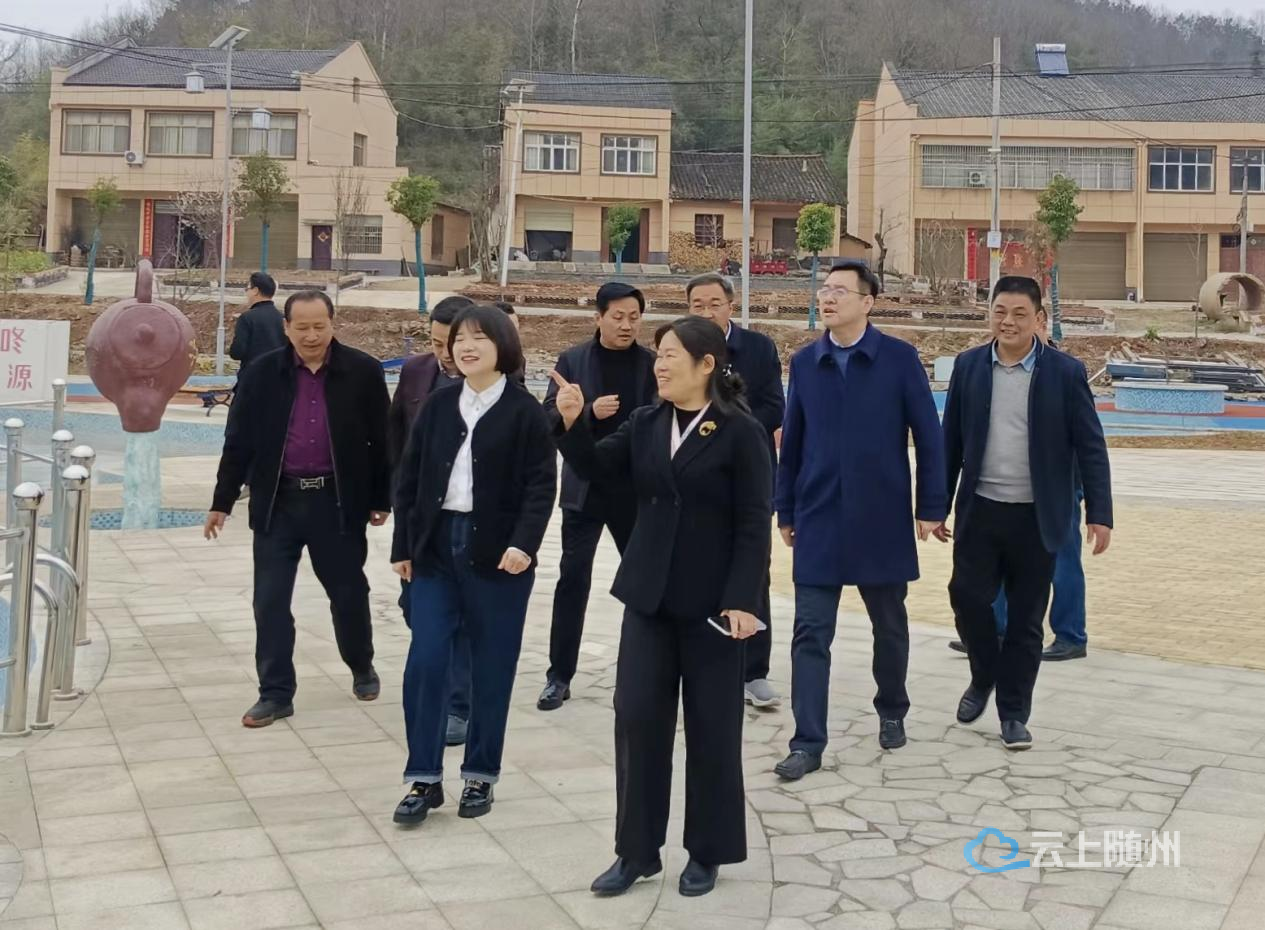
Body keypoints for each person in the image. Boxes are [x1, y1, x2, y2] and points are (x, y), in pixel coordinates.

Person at [551, 316, 772, 899]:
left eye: (672, 354)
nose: (661, 364)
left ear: (707, 364)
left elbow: (754, 523)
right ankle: (636, 851)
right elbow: (596, 468)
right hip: (648, 598)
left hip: (713, 607)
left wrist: (743, 600)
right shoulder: (647, 422)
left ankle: (707, 850)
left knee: (712, 729)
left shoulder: (739, 431)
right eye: (659, 355)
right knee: (637, 720)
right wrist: (571, 423)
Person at [773, 261, 946, 778]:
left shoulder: (899, 359)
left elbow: (929, 437)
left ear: (867, 302)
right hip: (819, 514)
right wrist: (785, 508)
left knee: (889, 625)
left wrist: (931, 506)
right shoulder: (806, 363)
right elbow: (792, 443)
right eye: (824, 289)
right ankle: (807, 742)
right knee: (810, 632)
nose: (827, 298)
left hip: (881, 515)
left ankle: (892, 709)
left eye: (840, 291)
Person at [391, 304, 556, 825]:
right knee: (426, 659)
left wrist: (524, 544)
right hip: (436, 548)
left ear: (502, 346)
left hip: (499, 556)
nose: (466, 347)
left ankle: (480, 775)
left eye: (479, 338)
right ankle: (423, 777)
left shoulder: (525, 411)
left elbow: (541, 486)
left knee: (491, 666)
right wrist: (403, 546)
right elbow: (409, 479)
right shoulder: (439, 405)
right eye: (460, 339)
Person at [936, 275, 1113, 751]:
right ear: (988, 314)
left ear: (1039, 319)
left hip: (1037, 518)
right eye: (999, 312)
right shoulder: (970, 366)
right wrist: (935, 506)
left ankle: (1014, 713)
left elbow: (1091, 446)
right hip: (981, 511)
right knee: (967, 599)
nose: (1008, 322)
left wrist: (1100, 512)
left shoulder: (1065, 372)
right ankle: (983, 675)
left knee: (1026, 621)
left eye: (1019, 314)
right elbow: (950, 441)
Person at [205, 289, 391, 727]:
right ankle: (275, 693)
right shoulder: (262, 373)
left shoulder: (362, 371)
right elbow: (239, 440)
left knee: (348, 593)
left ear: (333, 324)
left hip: (336, 502)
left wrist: (381, 498)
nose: (311, 336)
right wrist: (222, 501)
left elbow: (383, 440)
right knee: (269, 601)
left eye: (319, 326)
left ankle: (361, 664)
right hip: (279, 502)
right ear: (286, 327)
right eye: (302, 327)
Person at [538, 282, 657, 711]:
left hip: (634, 490)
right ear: (599, 317)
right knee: (573, 579)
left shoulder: (652, 363)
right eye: (618, 317)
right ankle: (558, 675)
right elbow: (548, 417)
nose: (626, 325)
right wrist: (587, 411)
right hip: (585, 489)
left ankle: (647, 671)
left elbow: (662, 417)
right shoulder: (572, 360)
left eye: (634, 317)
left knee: (644, 581)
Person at [686, 272, 785, 708]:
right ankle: (700, 661)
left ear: (731, 305)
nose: (706, 312)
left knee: (754, 568)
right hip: (695, 479)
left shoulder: (759, 348)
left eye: (714, 304)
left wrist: (727, 432)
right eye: (698, 305)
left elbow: (774, 407)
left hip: (748, 475)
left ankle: (754, 670)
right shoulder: (679, 348)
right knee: (697, 567)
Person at [387, 294, 476, 746]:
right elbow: (396, 438)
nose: (444, 353)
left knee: (457, 613)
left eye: (451, 343)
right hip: (418, 516)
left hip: (466, 519)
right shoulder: (416, 371)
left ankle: (459, 704)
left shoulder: (491, 382)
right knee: (415, 607)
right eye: (437, 343)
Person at [948, 485, 1088, 661]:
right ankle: (996, 632)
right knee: (1002, 552)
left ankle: (1071, 636)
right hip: (1013, 486)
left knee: (1064, 561)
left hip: (1059, 484)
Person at [229, 272, 287, 373]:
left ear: (255, 290)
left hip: (252, 375)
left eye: (247, 289)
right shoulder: (282, 318)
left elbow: (237, 352)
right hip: (278, 375)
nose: (246, 293)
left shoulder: (247, 318)